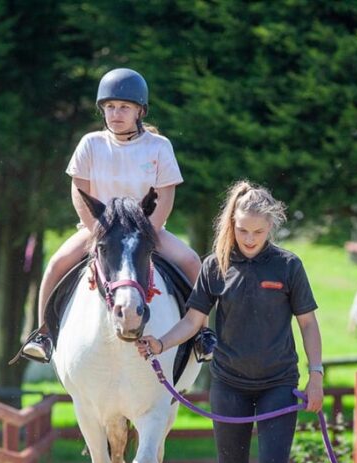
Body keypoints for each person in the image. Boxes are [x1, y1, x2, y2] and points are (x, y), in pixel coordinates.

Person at [135, 181, 324, 463]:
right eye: (243, 231)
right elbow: (193, 322)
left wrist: (317, 375)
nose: (250, 239)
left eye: (258, 232)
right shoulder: (215, 266)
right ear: (232, 225)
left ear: (271, 226)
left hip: (279, 383)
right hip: (230, 384)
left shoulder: (288, 266)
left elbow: (307, 323)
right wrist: (160, 342)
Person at [18, 67, 215, 363]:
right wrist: (97, 229)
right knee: (56, 264)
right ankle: (43, 334)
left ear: (140, 111)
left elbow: (166, 197)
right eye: (109, 107)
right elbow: (79, 191)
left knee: (192, 263)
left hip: (146, 230)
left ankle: (202, 334)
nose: (115, 113)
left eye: (124, 107)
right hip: (101, 229)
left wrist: (146, 233)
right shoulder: (91, 144)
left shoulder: (159, 147)